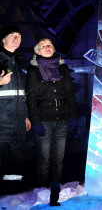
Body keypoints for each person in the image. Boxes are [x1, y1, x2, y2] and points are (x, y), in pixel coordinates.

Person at [26, 38, 78, 206]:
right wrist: (35, 122)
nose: (47, 48)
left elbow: (70, 94)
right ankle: (42, 189)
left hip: (62, 119)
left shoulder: (62, 68)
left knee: (59, 159)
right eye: (43, 46)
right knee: (44, 159)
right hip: (44, 120)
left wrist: (73, 116)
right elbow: (31, 98)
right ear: (37, 51)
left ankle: (55, 191)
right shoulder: (34, 71)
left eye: (49, 45)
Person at [0, 25, 31, 189]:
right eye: (12, 35)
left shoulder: (21, 61)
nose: (16, 38)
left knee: (16, 164)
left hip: (18, 122)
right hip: (1, 121)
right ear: (3, 39)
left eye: (19, 36)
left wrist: (26, 116)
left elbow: (23, 92)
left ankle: (13, 197)